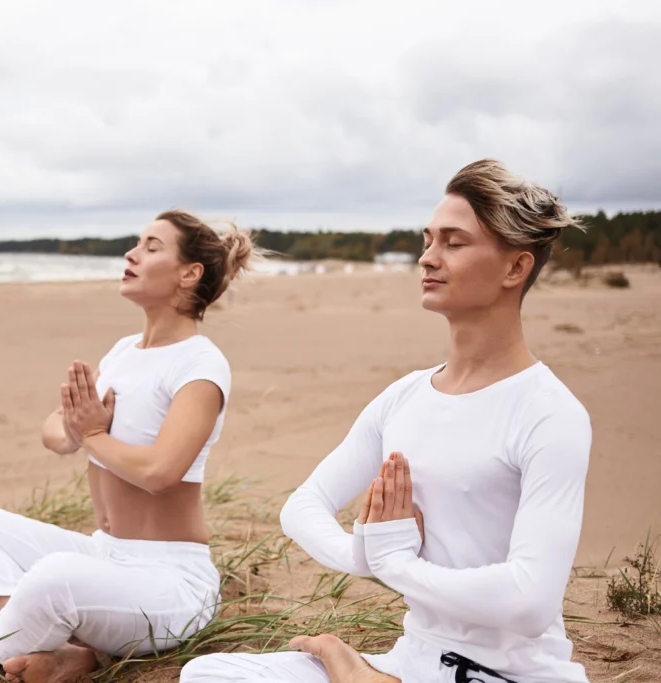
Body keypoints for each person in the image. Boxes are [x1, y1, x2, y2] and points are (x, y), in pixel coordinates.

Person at [180, 159, 592, 683]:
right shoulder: (405, 397)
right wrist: (365, 555)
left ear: (515, 268)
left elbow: (530, 601)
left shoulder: (549, 414)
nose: (427, 258)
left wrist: (400, 566)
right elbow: (303, 507)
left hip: (509, 675)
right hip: (415, 659)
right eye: (428, 239)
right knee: (208, 675)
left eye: (454, 242)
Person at [0, 210, 258, 683]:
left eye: (152, 247)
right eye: (136, 243)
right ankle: (61, 647)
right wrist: (78, 429)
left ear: (189, 273)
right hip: (105, 554)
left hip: (170, 584)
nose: (132, 254)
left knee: (56, 575)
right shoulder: (124, 351)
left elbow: (160, 472)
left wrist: (92, 435)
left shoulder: (201, 366)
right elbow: (54, 433)